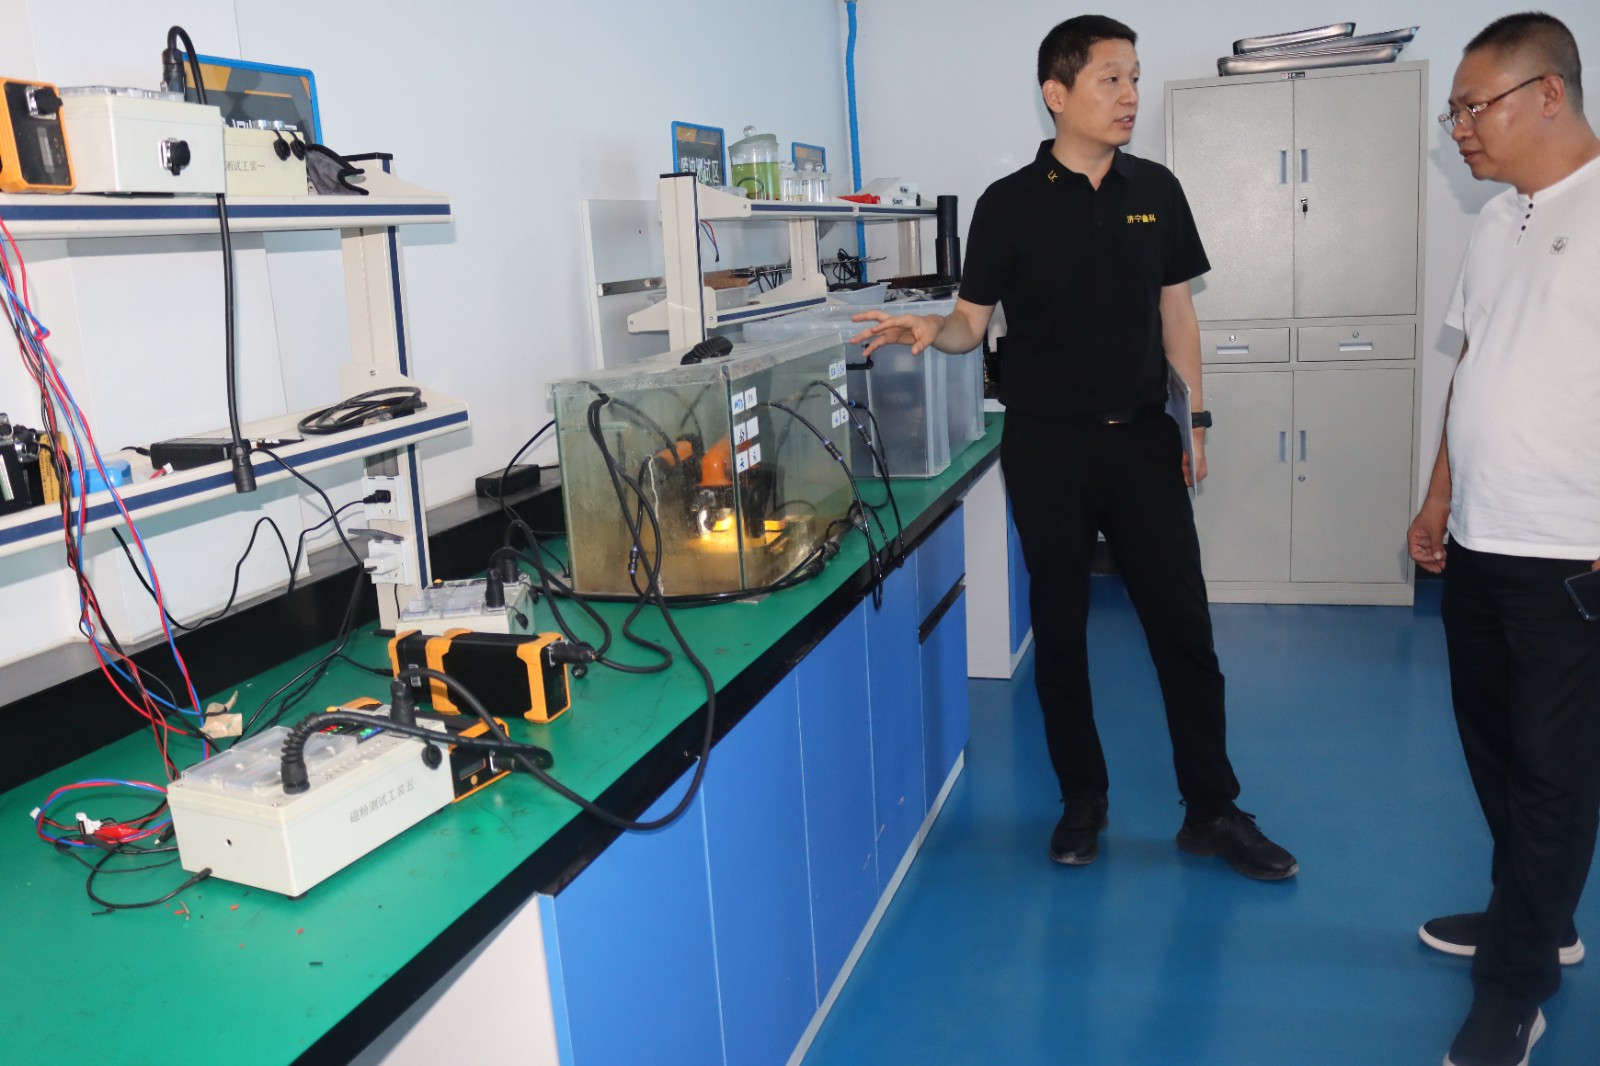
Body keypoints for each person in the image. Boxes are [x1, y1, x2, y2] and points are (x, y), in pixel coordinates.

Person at [852, 15, 1295, 881]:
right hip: (1048, 447)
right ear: (1057, 94)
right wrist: (930, 329)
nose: (1130, 95)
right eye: (1110, 79)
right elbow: (971, 323)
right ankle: (1082, 800)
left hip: (1143, 442)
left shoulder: (1156, 189)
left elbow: (1177, 313)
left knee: (1185, 633)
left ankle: (1212, 811)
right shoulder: (1008, 203)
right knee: (1059, 633)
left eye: (1134, 77)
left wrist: (1197, 420)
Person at [1407, 12, 1600, 1066]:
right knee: (1493, 745)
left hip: (1571, 551)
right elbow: (1474, 365)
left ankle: (1512, 987)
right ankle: (1540, 913)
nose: (1461, 131)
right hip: (1481, 539)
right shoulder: (1495, 222)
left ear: (1549, 94)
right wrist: (1439, 494)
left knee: (1551, 775)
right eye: (1454, 114)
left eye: (1473, 108)